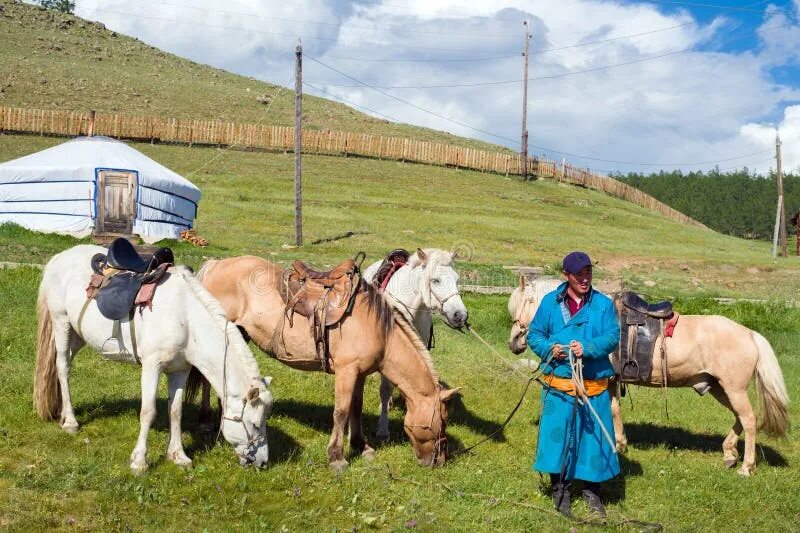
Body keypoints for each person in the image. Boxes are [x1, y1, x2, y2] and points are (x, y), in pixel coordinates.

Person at [527, 251, 620, 518]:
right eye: (579, 274)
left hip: (592, 386)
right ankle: (560, 488)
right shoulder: (549, 303)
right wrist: (549, 348)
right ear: (566, 275)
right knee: (558, 438)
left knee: (593, 440)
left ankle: (592, 491)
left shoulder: (602, 304)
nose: (585, 278)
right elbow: (535, 335)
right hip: (560, 386)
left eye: (588, 272)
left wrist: (588, 347)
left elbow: (612, 336)